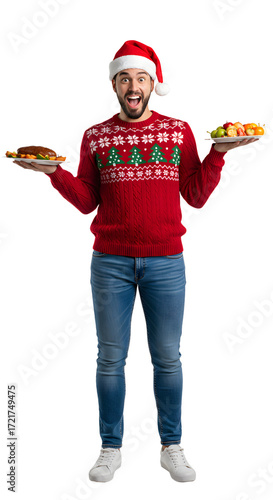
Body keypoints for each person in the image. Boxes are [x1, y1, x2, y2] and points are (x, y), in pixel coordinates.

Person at [13, 40, 258, 483]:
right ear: (114, 84)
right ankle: (110, 448)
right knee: (110, 358)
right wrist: (55, 174)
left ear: (152, 85)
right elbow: (87, 200)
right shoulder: (96, 136)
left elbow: (196, 197)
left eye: (141, 78)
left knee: (167, 358)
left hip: (166, 261)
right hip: (110, 262)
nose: (133, 86)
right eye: (125, 78)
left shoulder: (178, 131)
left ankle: (171, 446)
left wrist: (219, 153)